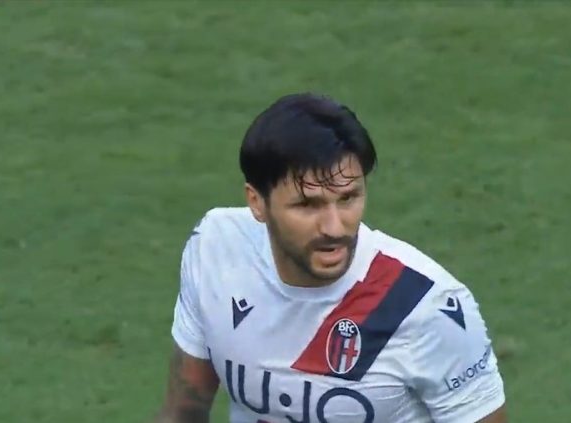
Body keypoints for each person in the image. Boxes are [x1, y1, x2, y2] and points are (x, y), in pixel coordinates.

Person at [151, 93, 507, 423]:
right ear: (257, 202)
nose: (334, 228)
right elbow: (184, 410)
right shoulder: (217, 248)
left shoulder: (424, 303)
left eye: (348, 198)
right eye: (308, 205)